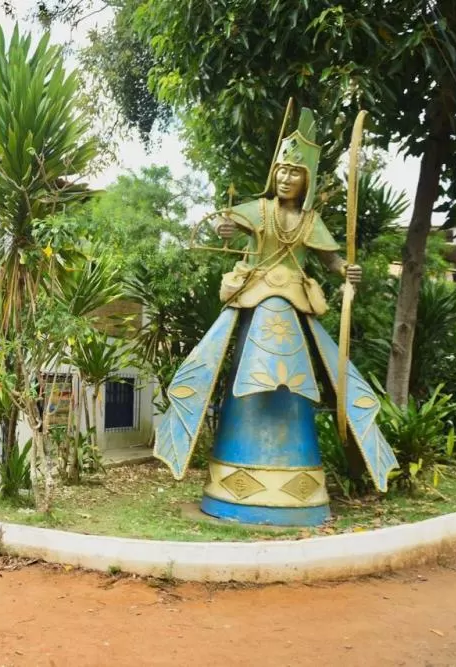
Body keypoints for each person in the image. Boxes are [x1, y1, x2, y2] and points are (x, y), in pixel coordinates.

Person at [153, 108, 398, 527]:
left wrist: (347, 271)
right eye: (282, 170)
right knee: (233, 381)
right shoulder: (259, 211)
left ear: (307, 182)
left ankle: (300, 489)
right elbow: (227, 225)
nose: (286, 178)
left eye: (295, 173)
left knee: (302, 391)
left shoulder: (310, 222)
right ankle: (231, 484)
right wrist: (226, 230)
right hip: (253, 311)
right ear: (274, 175)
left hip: (295, 315)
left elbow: (333, 260)